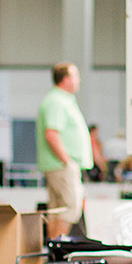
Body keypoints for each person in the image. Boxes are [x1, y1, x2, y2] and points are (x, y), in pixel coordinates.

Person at [36, 63, 92, 239]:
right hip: (62, 165)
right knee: (70, 209)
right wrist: (67, 162)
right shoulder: (57, 101)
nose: (79, 80)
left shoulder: (60, 100)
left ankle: (53, 251)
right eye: (76, 76)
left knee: (58, 210)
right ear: (66, 79)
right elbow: (52, 134)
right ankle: (57, 250)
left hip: (58, 165)